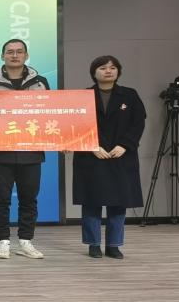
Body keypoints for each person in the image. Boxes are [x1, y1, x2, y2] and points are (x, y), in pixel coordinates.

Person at [0, 38, 50, 260]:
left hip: (32, 151)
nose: (15, 55)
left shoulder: (41, 82)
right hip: (0, 152)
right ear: (2, 56)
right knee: (1, 199)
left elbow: (50, 113)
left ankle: (26, 241)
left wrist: (60, 140)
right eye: (10, 52)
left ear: (26, 55)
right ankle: (3, 241)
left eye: (19, 51)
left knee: (29, 198)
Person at [72, 55, 146, 259]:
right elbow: (76, 125)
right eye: (103, 68)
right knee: (91, 201)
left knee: (118, 202)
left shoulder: (129, 95)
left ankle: (114, 245)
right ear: (94, 72)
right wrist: (91, 145)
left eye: (113, 68)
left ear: (118, 72)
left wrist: (125, 145)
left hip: (120, 156)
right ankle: (93, 244)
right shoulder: (83, 96)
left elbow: (138, 122)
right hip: (91, 156)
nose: (108, 71)